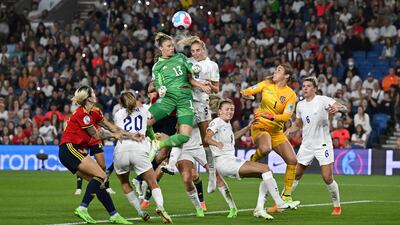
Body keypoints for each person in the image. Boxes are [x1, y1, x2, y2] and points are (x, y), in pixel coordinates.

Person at [204, 99, 300, 220]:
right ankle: (280, 203)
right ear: (219, 112)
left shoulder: (226, 123)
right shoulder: (216, 122)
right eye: (227, 109)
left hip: (229, 160)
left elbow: (232, 137)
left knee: (266, 174)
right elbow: (207, 138)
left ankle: (260, 209)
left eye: (232, 109)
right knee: (265, 169)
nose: (230, 111)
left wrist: (247, 128)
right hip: (223, 161)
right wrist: (216, 143)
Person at [59, 86, 134, 224]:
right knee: (101, 175)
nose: (95, 93)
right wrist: (114, 135)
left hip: (75, 150)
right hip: (69, 149)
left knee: (99, 183)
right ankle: (82, 208)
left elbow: (111, 127)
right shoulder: (81, 114)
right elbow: (97, 134)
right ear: (88, 98)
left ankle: (114, 215)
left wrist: (131, 135)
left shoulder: (94, 112)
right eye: (93, 92)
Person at [161, 36, 220, 193]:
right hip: (188, 102)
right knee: (182, 132)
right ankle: (172, 164)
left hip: (203, 104)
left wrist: (209, 87)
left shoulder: (212, 65)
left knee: (206, 139)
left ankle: (212, 176)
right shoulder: (188, 62)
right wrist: (199, 84)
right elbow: (188, 79)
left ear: (203, 49)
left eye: (198, 50)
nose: (195, 54)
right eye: (193, 51)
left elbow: (217, 88)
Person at [285, 76, 346, 216]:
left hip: (322, 145)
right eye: (304, 86)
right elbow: (298, 124)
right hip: (306, 145)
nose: (305, 88)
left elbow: (344, 107)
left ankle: (337, 206)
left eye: (308, 86)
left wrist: (337, 109)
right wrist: (289, 131)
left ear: (315, 89)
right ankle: (281, 202)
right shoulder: (300, 105)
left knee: (327, 177)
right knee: (295, 174)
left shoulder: (323, 100)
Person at [240, 63, 298, 212]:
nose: (275, 71)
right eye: (276, 68)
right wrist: (247, 94)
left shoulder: (291, 94)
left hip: (276, 131)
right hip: (260, 126)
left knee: (292, 160)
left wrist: (271, 116)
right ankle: (252, 160)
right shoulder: (266, 84)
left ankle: (287, 195)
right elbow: (247, 90)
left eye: (279, 70)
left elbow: (286, 116)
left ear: (286, 76)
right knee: (266, 148)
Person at [147, 32, 210, 156]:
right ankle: (153, 139)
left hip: (185, 99)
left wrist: (194, 69)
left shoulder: (180, 57)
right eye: (168, 46)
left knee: (185, 136)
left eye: (172, 46)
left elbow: (189, 66)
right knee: (145, 122)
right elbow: (158, 83)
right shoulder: (157, 66)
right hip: (168, 99)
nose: (171, 48)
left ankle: (158, 145)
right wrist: (160, 89)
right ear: (161, 48)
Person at [113, 92, 172, 224]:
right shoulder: (144, 110)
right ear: (135, 100)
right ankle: (161, 207)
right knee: (153, 182)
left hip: (121, 150)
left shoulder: (117, 114)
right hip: (139, 149)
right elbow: (152, 121)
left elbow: (117, 130)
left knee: (124, 182)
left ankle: (140, 212)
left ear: (121, 103)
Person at [75, 106, 116, 195]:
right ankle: (79, 188)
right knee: (81, 164)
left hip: (95, 139)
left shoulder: (97, 110)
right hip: (84, 140)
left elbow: (102, 122)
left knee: (102, 165)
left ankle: (106, 186)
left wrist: (103, 129)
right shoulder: (80, 110)